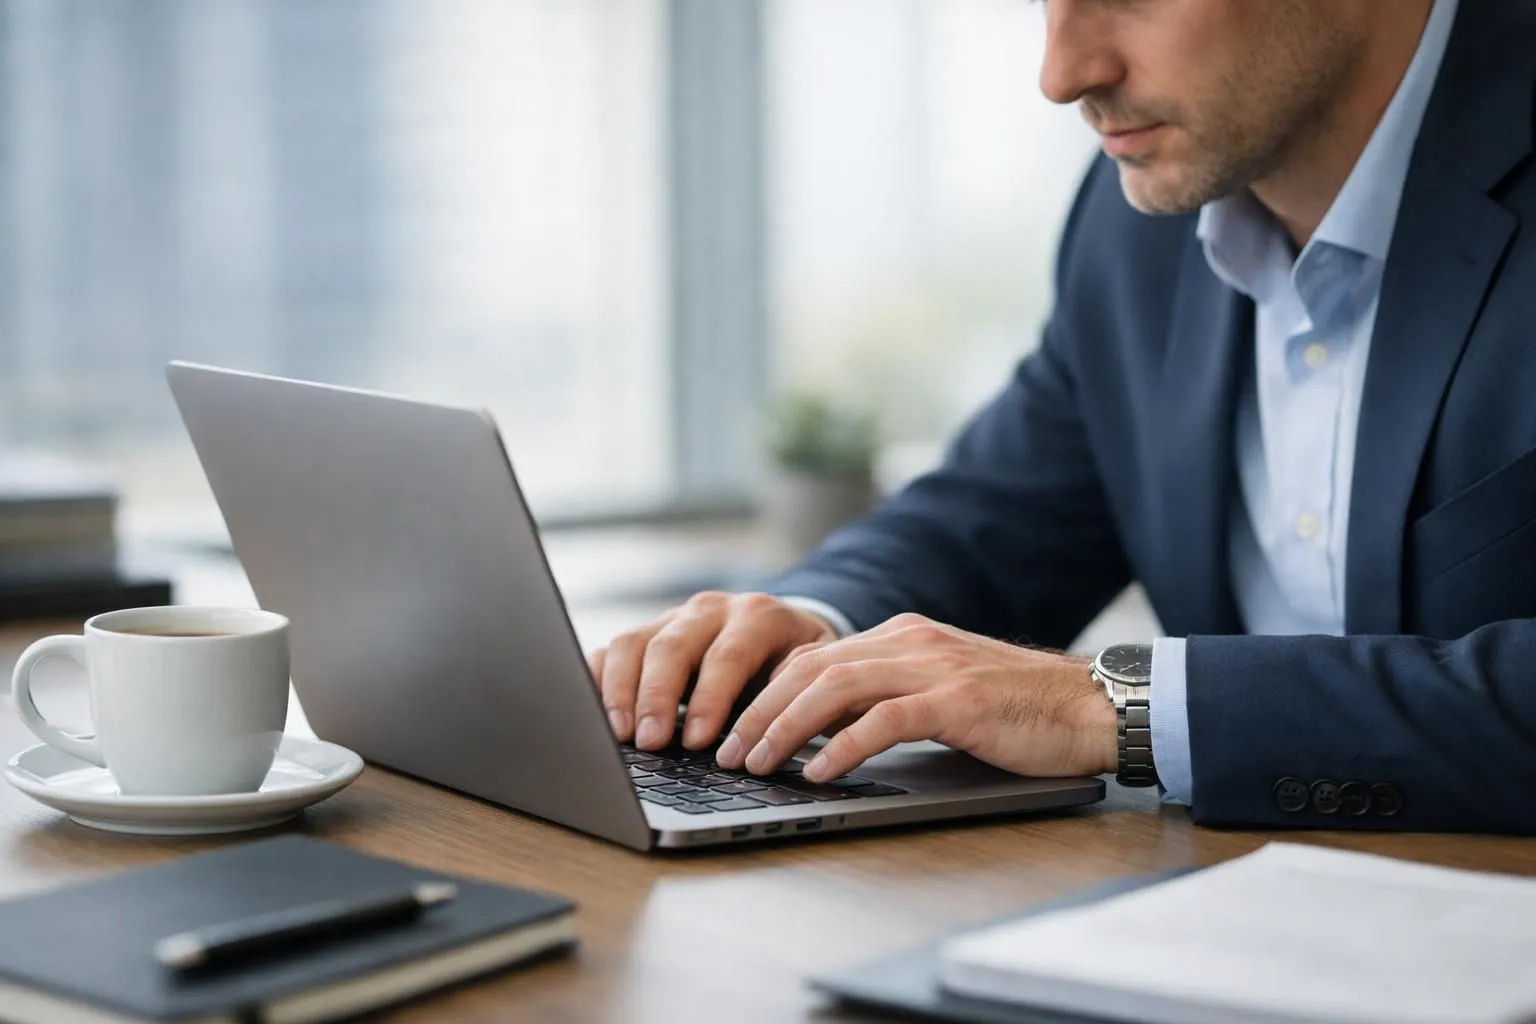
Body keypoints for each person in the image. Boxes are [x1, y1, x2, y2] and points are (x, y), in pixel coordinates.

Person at [590, 0, 1536, 833]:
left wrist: (1110, 707)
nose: (1062, 74)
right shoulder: (1141, 215)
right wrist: (808, 625)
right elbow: (996, 515)